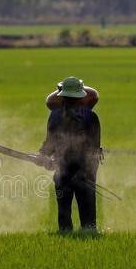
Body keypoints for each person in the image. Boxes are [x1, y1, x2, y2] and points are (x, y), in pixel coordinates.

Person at [39, 76, 102, 233]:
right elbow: (95, 147)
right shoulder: (91, 116)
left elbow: (49, 143)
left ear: (62, 96)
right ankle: (88, 231)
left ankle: (66, 232)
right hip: (83, 170)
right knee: (86, 207)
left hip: (66, 169)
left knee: (64, 207)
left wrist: (44, 155)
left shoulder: (54, 116)